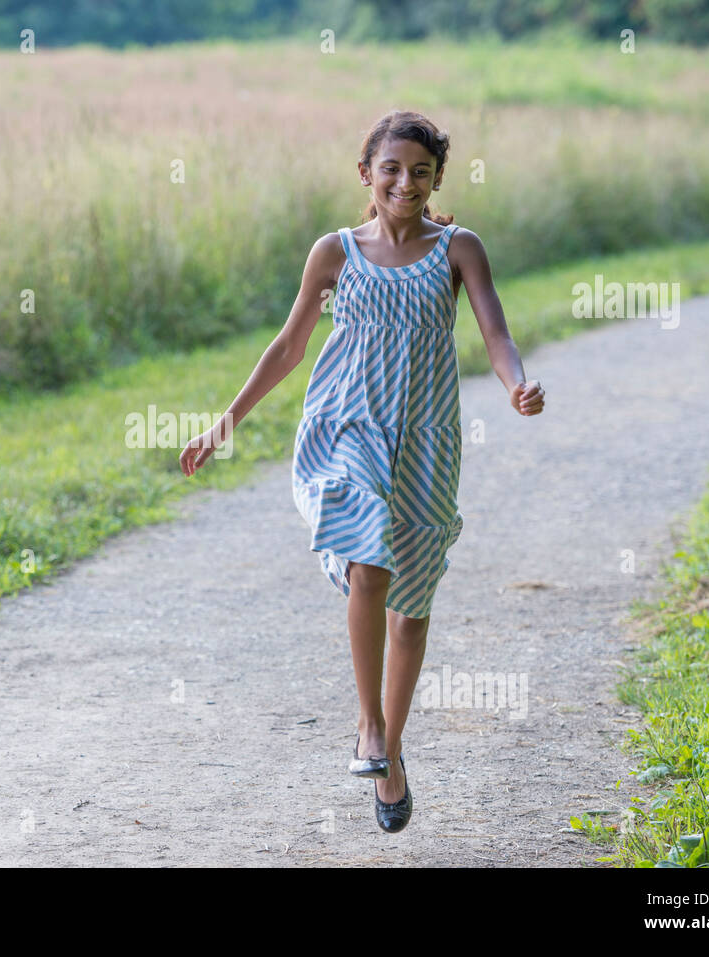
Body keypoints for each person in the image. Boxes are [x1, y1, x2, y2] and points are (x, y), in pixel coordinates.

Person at [178, 108, 545, 834]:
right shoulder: (336, 252)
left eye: (420, 172)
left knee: (410, 609)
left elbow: (495, 331)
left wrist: (516, 383)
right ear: (365, 174)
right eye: (391, 169)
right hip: (346, 427)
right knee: (367, 567)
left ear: (437, 178)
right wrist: (227, 419)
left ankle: (393, 750)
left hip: (426, 441)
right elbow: (288, 347)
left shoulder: (458, 249)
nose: (404, 183)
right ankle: (368, 727)